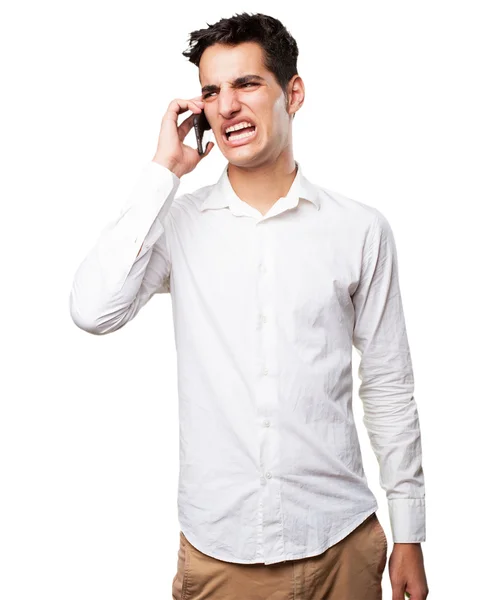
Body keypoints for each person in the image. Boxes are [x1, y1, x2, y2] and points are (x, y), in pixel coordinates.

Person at [69, 11, 429, 600]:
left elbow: (389, 382)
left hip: (344, 544)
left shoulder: (361, 230)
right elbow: (92, 310)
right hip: (221, 556)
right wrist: (164, 172)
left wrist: (410, 531)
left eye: (246, 84)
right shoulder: (178, 224)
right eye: (212, 91)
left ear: (293, 93)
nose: (227, 105)